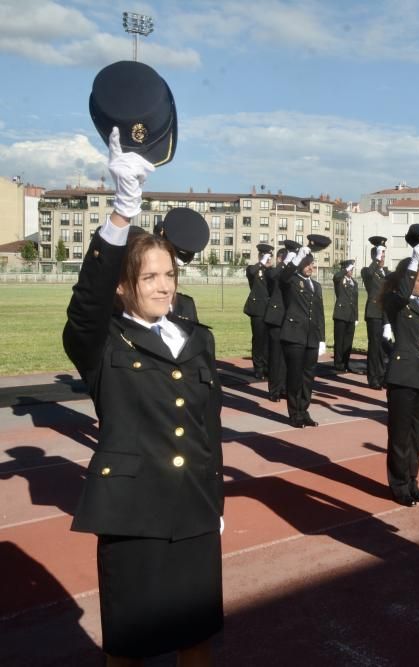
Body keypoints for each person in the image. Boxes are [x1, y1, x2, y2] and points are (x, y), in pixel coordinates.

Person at [63, 127, 223, 664]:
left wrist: (216, 499)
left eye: (169, 274)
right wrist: (122, 212)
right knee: (130, 647)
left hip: (194, 507)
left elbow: (208, 429)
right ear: (123, 285)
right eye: (149, 276)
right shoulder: (100, 341)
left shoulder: (198, 339)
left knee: (197, 640)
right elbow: (86, 302)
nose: (163, 285)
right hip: (132, 512)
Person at [380, 238, 419, 506]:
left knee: (417, 435)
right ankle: (398, 484)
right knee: (400, 434)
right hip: (403, 376)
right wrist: (414, 263)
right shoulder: (396, 302)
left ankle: (412, 480)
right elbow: (402, 292)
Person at [279, 238, 328, 427]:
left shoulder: (316, 286)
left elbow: (320, 314)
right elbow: (282, 276)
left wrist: (322, 339)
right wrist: (296, 258)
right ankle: (294, 413)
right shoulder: (292, 281)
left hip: (311, 338)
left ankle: (304, 409)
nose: (310, 268)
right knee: (295, 376)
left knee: (308, 376)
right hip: (294, 335)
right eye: (307, 264)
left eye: (312, 264)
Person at [263, 244, 291, 402]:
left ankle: (284, 387)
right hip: (275, 318)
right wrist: (284, 263)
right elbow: (272, 276)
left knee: (286, 357)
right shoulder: (273, 271)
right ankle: (274, 389)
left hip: (289, 318)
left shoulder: (289, 271)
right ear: (280, 258)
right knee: (275, 357)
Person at [361, 237, 389, 389]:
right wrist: (376, 259)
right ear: (374, 256)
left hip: (384, 314)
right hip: (373, 312)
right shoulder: (367, 271)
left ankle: (382, 375)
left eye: (384, 255)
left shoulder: (384, 272)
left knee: (382, 347)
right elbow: (369, 274)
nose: (383, 258)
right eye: (381, 255)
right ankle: (373, 377)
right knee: (374, 346)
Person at [243, 244, 272, 379]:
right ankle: (258, 368)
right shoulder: (253, 269)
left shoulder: (272, 271)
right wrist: (261, 263)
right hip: (258, 310)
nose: (268, 259)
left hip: (270, 310)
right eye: (266, 257)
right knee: (259, 339)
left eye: (269, 257)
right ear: (260, 256)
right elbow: (251, 272)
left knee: (268, 340)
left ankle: (267, 366)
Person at [331, 259, 359, 372]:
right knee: (339, 340)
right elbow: (336, 276)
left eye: (352, 269)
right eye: (349, 269)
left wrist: (356, 317)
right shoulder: (339, 279)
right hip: (341, 314)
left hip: (351, 315)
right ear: (344, 269)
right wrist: (344, 269)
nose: (351, 271)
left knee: (348, 341)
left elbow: (356, 301)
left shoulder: (354, 283)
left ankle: (346, 363)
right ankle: (338, 363)